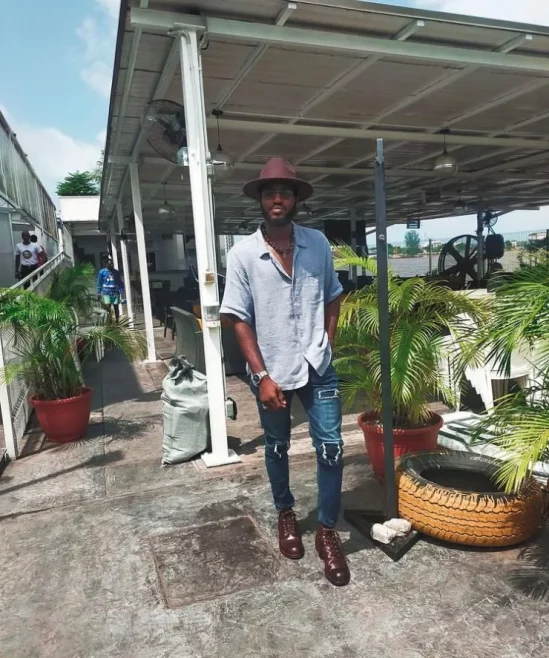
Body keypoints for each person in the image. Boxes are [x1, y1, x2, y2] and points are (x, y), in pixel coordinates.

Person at [220, 157, 349, 587]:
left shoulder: (318, 244)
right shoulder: (243, 254)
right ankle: (286, 513)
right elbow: (238, 318)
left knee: (332, 448)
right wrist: (260, 376)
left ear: (296, 199)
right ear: (261, 199)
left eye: (286, 192)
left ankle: (327, 531)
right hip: (271, 369)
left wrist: (328, 341)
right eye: (270, 192)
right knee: (276, 446)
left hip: (318, 365)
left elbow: (333, 295)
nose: (278, 199)